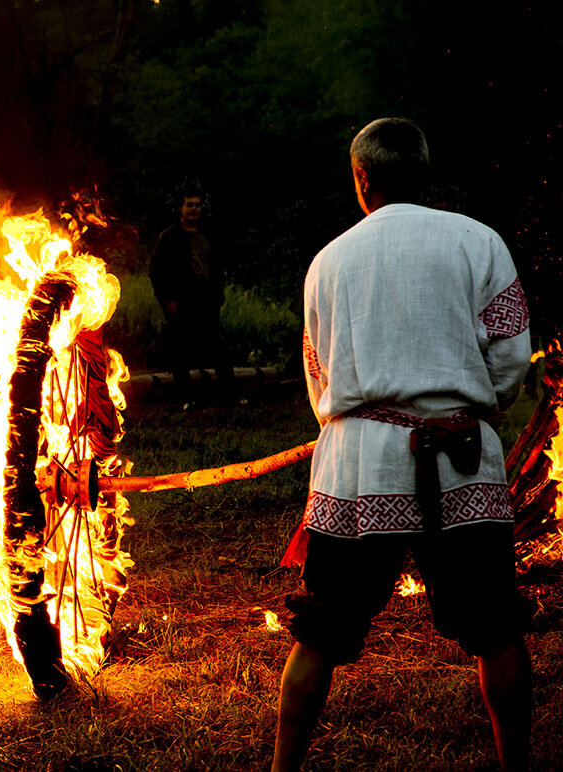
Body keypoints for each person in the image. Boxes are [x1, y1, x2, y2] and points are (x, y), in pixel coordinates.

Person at [272, 119, 533, 772]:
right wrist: (467, 408)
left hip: (360, 465)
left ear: (362, 178)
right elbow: (510, 357)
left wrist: (365, 420)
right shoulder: (478, 242)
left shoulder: (328, 262)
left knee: (320, 633)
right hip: (462, 457)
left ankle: (282, 770)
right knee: (495, 629)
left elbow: (317, 375)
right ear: (424, 170)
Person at [148, 185, 235, 405]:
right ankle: (186, 399)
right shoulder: (169, 238)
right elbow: (156, 272)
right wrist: (167, 301)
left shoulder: (208, 235)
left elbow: (216, 268)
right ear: (181, 208)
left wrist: (218, 296)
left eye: (198, 205)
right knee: (181, 351)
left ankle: (229, 396)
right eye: (190, 205)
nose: (195, 209)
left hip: (206, 300)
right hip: (181, 301)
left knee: (218, 347)